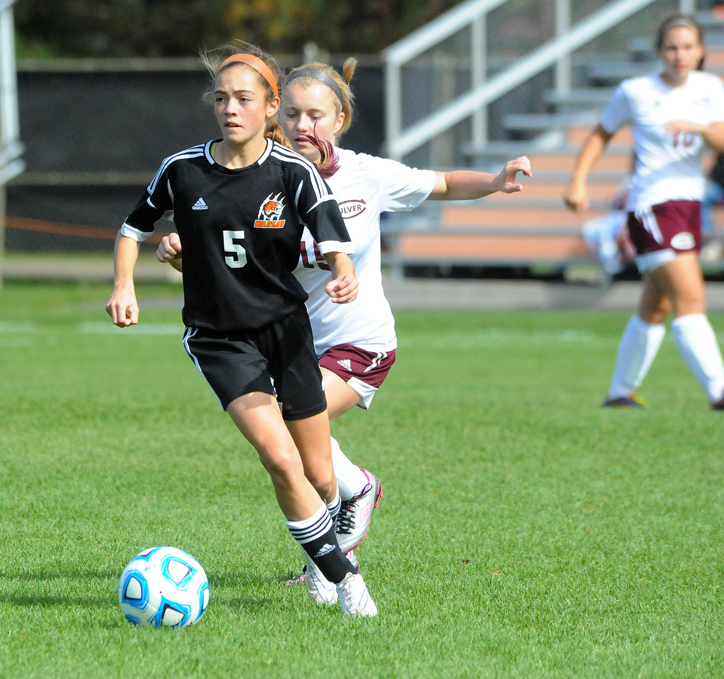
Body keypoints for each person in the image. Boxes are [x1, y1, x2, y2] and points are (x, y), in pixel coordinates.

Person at [156, 58, 531, 601]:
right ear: (274, 114)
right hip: (292, 342)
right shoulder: (270, 175)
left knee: (289, 431)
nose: (304, 125)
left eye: (317, 115)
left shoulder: (366, 175)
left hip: (361, 342)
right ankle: (331, 548)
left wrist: (494, 182)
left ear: (340, 119)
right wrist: (181, 255)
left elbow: (444, 181)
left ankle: (354, 494)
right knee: (296, 446)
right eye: (294, 113)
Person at [105, 45, 377, 616]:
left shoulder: (293, 173)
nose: (230, 109)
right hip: (219, 338)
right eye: (221, 99)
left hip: (287, 333)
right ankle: (344, 577)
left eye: (244, 99)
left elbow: (333, 240)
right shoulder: (182, 169)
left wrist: (344, 271)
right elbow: (132, 228)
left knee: (321, 474)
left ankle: (323, 551)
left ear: (270, 107)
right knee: (280, 460)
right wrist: (124, 285)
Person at [564, 13, 724, 409]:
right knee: (690, 299)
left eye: (687, 47)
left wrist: (700, 128)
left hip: (689, 206)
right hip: (652, 206)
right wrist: (578, 181)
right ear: (658, 51)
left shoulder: (710, 88)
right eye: (671, 47)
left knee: (658, 304)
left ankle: (620, 393)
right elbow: (601, 133)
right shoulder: (635, 91)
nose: (679, 55)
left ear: (701, 50)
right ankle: (719, 392)